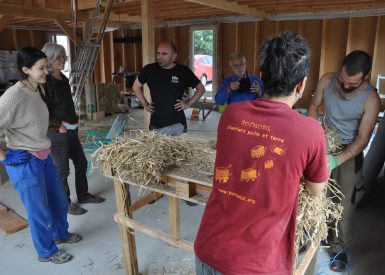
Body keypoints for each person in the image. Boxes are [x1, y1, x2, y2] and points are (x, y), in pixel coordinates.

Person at [194, 32, 329, 275]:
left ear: (262, 76)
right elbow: (316, 190)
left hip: (208, 249)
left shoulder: (230, 117)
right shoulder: (311, 131)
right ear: (301, 84)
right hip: (257, 264)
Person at [0, 47, 81, 264]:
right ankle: (46, 252)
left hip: (44, 156)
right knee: (38, 211)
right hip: (24, 160)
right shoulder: (13, 96)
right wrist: (4, 156)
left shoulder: (38, 89)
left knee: (58, 201)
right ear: (25, 69)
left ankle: (60, 233)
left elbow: (39, 118)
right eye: (41, 68)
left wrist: (62, 123)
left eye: (46, 66)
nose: (47, 71)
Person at [308, 50, 380, 272]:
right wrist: (313, 136)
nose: (345, 85)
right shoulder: (328, 80)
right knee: (315, 195)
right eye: (343, 79)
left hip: (350, 150)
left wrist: (336, 160)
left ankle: (340, 249)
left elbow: (363, 139)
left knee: (343, 206)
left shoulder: (371, 99)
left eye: (352, 83)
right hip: (324, 142)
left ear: (365, 77)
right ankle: (316, 237)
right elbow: (313, 107)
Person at [41, 42, 105, 216]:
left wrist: (74, 119)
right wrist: (58, 125)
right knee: (62, 171)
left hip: (72, 128)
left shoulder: (62, 78)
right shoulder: (45, 82)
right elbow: (41, 110)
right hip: (57, 133)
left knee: (82, 162)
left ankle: (83, 194)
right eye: (58, 58)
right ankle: (66, 203)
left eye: (64, 57)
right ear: (48, 60)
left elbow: (66, 104)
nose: (62, 60)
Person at [132, 41, 205, 134]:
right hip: (156, 123)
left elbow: (201, 89)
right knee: (156, 148)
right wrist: (145, 104)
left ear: (174, 56)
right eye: (158, 53)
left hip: (177, 124)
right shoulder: (149, 69)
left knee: (178, 149)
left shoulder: (183, 71)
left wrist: (188, 103)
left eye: (164, 54)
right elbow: (136, 87)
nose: (159, 57)